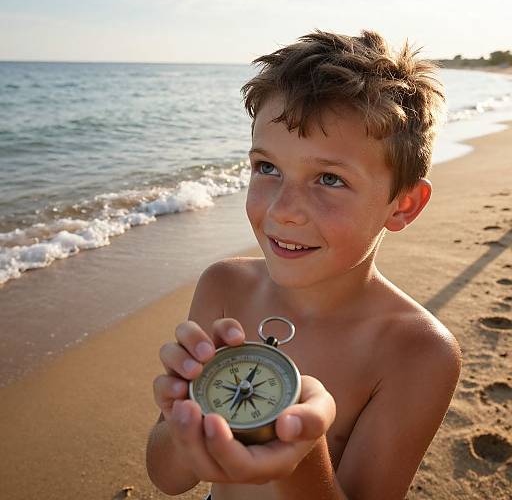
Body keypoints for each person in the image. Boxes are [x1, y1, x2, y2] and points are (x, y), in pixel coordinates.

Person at [146, 29, 462, 500]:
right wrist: (182, 411)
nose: (281, 211)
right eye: (267, 168)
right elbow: (168, 478)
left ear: (404, 205)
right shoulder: (223, 286)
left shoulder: (417, 351)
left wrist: (299, 448)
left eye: (329, 178)